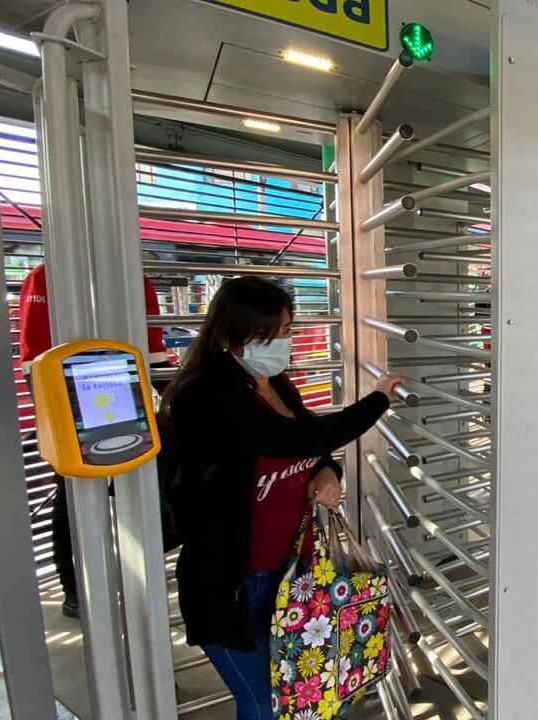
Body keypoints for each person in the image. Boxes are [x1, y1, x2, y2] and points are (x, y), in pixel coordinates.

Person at [162, 277, 401, 720]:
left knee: (299, 693)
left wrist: (327, 472)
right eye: (268, 335)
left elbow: (313, 450)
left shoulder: (274, 383)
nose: (282, 343)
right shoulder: (203, 397)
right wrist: (376, 402)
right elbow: (298, 437)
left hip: (293, 575)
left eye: (287, 330)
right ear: (228, 338)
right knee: (265, 705)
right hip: (232, 584)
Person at [18, 262, 170, 618]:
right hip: (71, 395)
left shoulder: (136, 277)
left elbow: (155, 352)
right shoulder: (46, 277)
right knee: (71, 493)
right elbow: (34, 360)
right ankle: (73, 585)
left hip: (127, 395)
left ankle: (133, 578)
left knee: (137, 488)